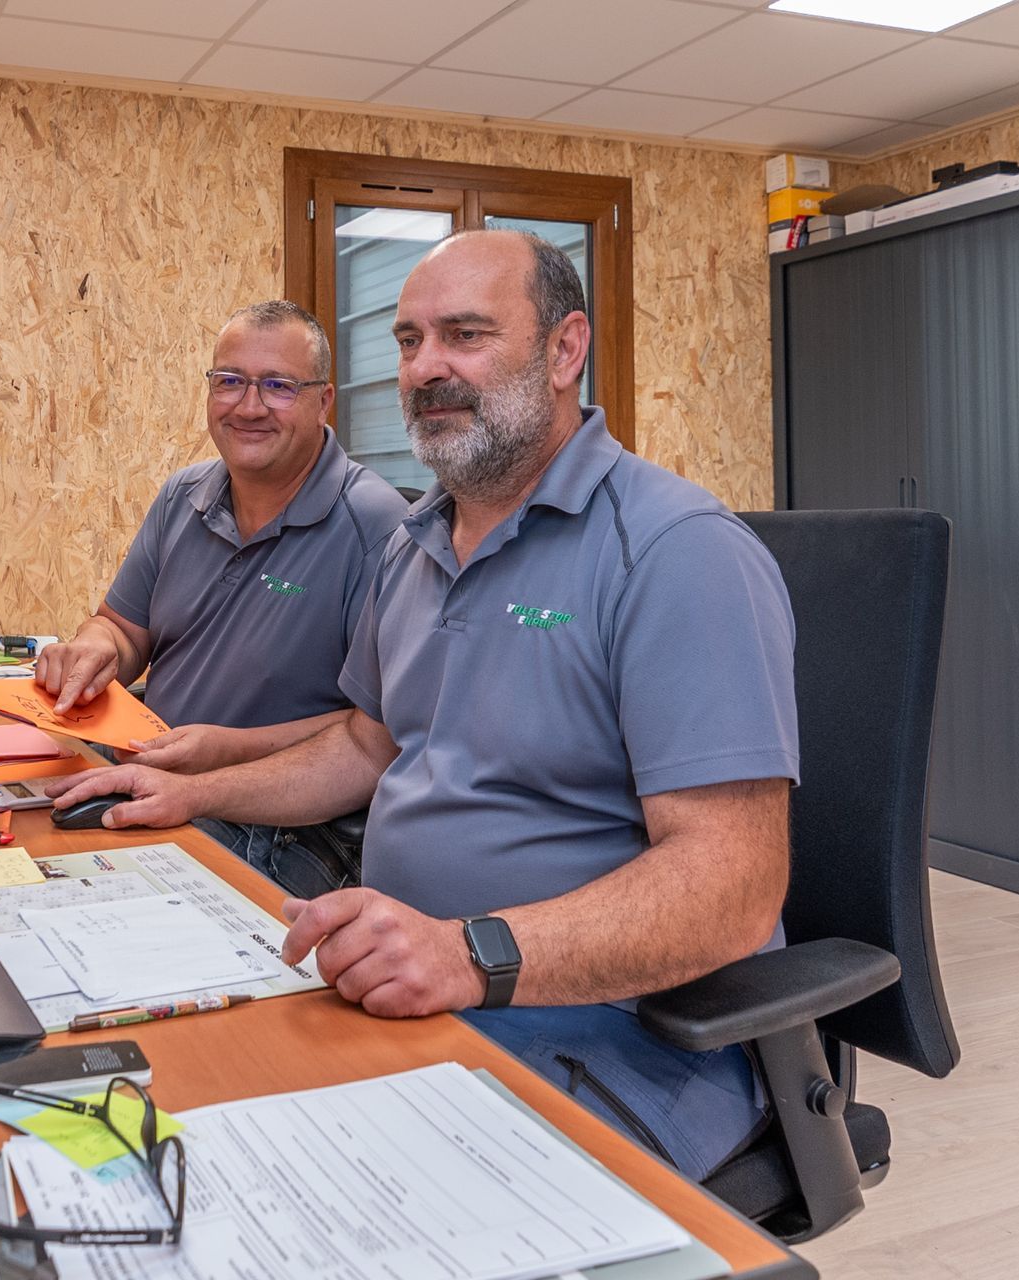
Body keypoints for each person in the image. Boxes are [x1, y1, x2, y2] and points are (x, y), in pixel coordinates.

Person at [46, 231, 799, 1180]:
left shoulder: (678, 551)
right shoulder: (414, 544)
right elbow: (366, 743)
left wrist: (468, 953)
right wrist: (202, 795)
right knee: (143, 1115)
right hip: (403, 985)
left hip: (610, 1033)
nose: (427, 368)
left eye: (466, 335)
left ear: (566, 351)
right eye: (408, 341)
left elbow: (732, 886)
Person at [34, 300, 409, 897]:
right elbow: (123, 629)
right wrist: (90, 648)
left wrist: (222, 752)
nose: (249, 406)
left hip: (286, 823)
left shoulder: (381, 529)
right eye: (229, 382)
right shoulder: (183, 495)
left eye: (278, 386)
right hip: (153, 771)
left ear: (323, 400)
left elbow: (382, 736)